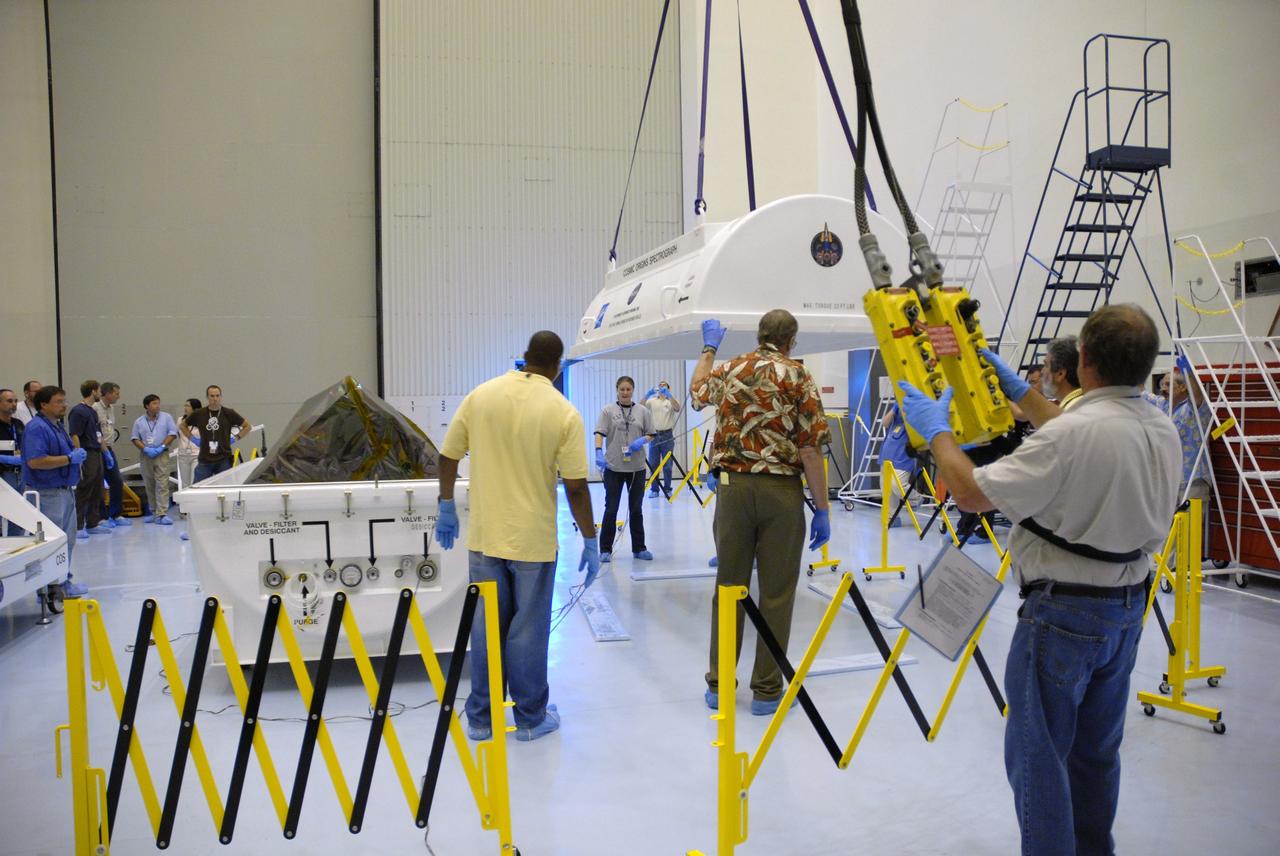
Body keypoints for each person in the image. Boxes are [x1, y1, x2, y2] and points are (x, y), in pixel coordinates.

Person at [897, 304, 1180, 855]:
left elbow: (973, 492)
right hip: (1124, 613)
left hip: (1063, 616)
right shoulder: (1158, 425)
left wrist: (937, 435)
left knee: (1039, 758)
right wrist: (1021, 393)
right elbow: (1082, 431)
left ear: (1085, 360)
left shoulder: (1072, 435)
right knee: (1096, 754)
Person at [433, 331, 599, 743]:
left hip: (485, 536)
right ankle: (529, 717)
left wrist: (446, 504)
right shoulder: (563, 412)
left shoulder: (481, 396)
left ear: (524, 357)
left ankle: (482, 719)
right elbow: (576, 487)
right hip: (533, 543)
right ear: (557, 367)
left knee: (486, 627)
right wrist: (591, 540)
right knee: (527, 630)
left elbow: (447, 455)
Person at [691, 310, 832, 716]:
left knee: (729, 587)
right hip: (781, 494)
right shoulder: (799, 376)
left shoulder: (734, 367)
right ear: (792, 340)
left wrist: (708, 348)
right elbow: (809, 449)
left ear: (759, 335)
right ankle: (767, 691)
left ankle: (719, 686)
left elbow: (698, 392)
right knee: (776, 593)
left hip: (732, 491)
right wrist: (822, 509)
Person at [22, 385, 90, 598]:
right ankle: (51, 586)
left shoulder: (57, 426)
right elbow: (35, 461)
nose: (64, 405)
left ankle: (62, 579)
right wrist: (69, 459)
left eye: (64, 400)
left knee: (67, 539)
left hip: (64, 490)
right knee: (52, 542)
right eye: (58, 402)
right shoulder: (37, 428)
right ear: (43, 405)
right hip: (47, 493)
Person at [594, 376, 654, 562]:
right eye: (622, 389)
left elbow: (651, 433)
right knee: (611, 509)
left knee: (636, 509)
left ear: (633, 390)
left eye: (628, 389)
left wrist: (642, 440)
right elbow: (599, 433)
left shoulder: (642, 411)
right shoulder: (608, 410)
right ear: (617, 390)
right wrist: (598, 451)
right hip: (614, 467)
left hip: (636, 468)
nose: (625, 392)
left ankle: (639, 548)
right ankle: (605, 549)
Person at [181, 385, 251, 482]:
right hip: (205, 459)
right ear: (207, 397)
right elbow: (182, 426)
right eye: (212, 396)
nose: (215, 399)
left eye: (217, 396)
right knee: (198, 488)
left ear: (221, 397)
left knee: (225, 490)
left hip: (223, 458)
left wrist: (236, 437)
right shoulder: (199, 413)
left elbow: (247, 426)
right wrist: (192, 439)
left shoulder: (229, 413)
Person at [68, 380, 110, 539]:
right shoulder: (78, 411)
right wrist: (79, 454)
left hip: (96, 452)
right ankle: (78, 526)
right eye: (99, 390)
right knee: (84, 489)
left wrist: (105, 452)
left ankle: (93, 522)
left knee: (97, 488)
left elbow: (99, 435)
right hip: (86, 453)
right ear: (93, 391)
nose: (100, 393)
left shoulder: (92, 412)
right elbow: (75, 434)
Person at [131, 395, 179, 525]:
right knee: (149, 483)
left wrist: (162, 446)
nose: (157, 406)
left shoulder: (166, 417)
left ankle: (162, 513)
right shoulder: (139, 421)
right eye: (154, 403)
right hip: (146, 455)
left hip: (161, 454)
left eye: (158, 403)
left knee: (162, 483)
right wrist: (146, 449)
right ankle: (153, 512)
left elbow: (172, 433)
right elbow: (135, 438)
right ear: (147, 406)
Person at [95, 381, 130, 528]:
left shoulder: (111, 408)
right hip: (98, 449)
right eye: (116, 393)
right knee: (99, 484)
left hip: (110, 448)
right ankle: (101, 517)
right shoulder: (95, 409)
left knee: (116, 481)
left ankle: (115, 514)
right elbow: (97, 432)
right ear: (108, 393)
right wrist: (104, 450)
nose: (118, 396)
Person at [642, 381, 681, 497]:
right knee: (653, 463)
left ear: (668, 388)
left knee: (668, 465)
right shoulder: (652, 401)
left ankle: (668, 488)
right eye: (660, 385)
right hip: (654, 435)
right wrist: (647, 394)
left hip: (667, 435)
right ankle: (654, 489)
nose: (662, 386)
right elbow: (639, 405)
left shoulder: (670, 401)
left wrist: (669, 395)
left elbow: (678, 408)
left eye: (665, 385)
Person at [0, 389, 26, 535]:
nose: (14, 404)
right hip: (3, 475)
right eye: (9, 401)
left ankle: (17, 549)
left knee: (20, 516)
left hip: (20, 475)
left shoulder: (18, 424)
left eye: (15, 401)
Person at [1041, 336, 1082, 410]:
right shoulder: (1085, 403)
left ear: (1060, 374)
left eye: (1046, 365)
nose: (1042, 371)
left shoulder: (1070, 412)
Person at [174, 398, 202, 490]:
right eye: (185, 405)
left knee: (194, 481)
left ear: (194, 408)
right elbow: (178, 434)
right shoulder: (180, 420)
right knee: (185, 483)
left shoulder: (202, 421)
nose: (185, 407)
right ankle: (186, 503)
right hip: (183, 454)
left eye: (188, 406)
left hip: (196, 454)